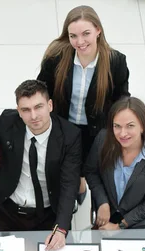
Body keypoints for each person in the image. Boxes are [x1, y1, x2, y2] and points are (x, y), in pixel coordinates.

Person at [0, 80, 81, 250]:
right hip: (7, 209)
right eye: (26, 110)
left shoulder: (70, 135)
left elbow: (69, 184)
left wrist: (61, 228)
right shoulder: (7, 122)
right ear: (18, 111)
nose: (33, 116)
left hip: (48, 213)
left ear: (50, 105)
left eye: (38, 107)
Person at [37, 5, 130, 205]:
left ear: (98, 30)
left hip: (97, 128)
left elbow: (122, 99)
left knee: (88, 168)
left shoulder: (116, 62)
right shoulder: (57, 58)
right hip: (63, 124)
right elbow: (41, 90)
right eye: (73, 36)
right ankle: (74, 187)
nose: (79, 42)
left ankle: (80, 183)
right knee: (63, 169)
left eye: (86, 33)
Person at [84, 97, 145, 230]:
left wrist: (120, 226)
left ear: (142, 126)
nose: (122, 134)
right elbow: (91, 172)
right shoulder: (102, 140)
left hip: (144, 219)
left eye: (130, 126)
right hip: (111, 213)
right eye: (117, 126)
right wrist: (102, 202)